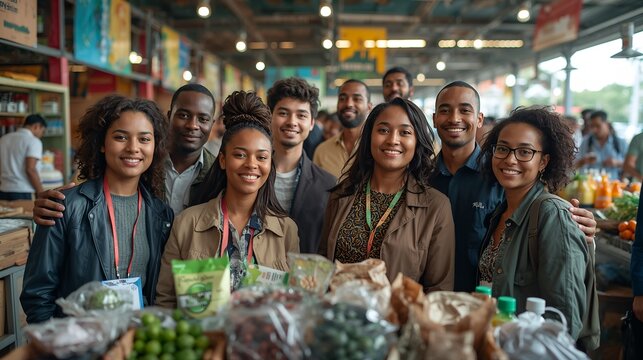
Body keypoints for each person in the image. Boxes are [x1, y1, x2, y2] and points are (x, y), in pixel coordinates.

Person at [430, 81, 597, 292]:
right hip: (431, 301)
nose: (454, 118)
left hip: (493, 305)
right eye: (445, 110)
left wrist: (577, 226)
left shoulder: (503, 178)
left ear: (479, 119)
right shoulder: (421, 178)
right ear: (434, 119)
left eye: (465, 110)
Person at [20, 95, 174, 323]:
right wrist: (58, 345)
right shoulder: (65, 206)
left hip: (138, 342)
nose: (133, 148)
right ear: (102, 144)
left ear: (155, 146)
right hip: (79, 343)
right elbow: (37, 294)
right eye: (121, 137)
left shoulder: (161, 215)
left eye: (144, 139)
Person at [156, 91, 299, 306]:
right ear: (222, 159)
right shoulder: (187, 223)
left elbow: (293, 303)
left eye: (261, 157)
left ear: (270, 164)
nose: (251, 164)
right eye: (240, 155)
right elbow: (166, 301)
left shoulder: (286, 230)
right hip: (202, 337)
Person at [477, 106, 591, 340]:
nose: (510, 159)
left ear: (543, 161)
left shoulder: (552, 215)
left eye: (525, 152)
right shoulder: (501, 212)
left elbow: (564, 319)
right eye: (502, 149)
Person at [319, 98, 455, 292]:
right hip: (339, 316)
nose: (392, 140)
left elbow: (439, 289)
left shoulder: (436, 206)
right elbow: (323, 266)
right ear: (369, 137)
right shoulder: (341, 195)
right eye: (383, 130)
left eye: (405, 132)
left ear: (417, 142)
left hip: (399, 320)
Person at [32, 83, 217, 224]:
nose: (193, 125)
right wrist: (52, 205)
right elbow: (78, 194)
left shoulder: (219, 174)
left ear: (212, 123)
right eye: (183, 115)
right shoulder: (138, 161)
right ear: (169, 116)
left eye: (203, 119)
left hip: (192, 269)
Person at [266, 78, 336, 253]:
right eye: (283, 113)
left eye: (301, 115)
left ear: (312, 123)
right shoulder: (249, 173)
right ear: (269, 117)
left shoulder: (328, 185)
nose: (292, 122)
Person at [314, 79, 373, 178]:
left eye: (357, 99)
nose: (348, 104)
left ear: (369, 107)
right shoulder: (322, 151)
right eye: (342, 98)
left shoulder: (378, 147)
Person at [0, 114, 47, 200]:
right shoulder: (34, 141)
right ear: (36, 126)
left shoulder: (4, 139)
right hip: (22, 191)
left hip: (3, 190)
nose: (41, 135)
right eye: (42, 131)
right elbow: (30, 169)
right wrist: (41, 193)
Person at [576, 110, 627, 179]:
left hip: (613, 187)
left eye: (598, 126)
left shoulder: (620, 143)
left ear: (607, 123)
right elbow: (575, 165)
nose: (594, 130)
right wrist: (584, 161)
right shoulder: (586, 142)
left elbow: (631, 166)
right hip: (591, 187)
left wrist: (616, 163)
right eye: (592, 126)